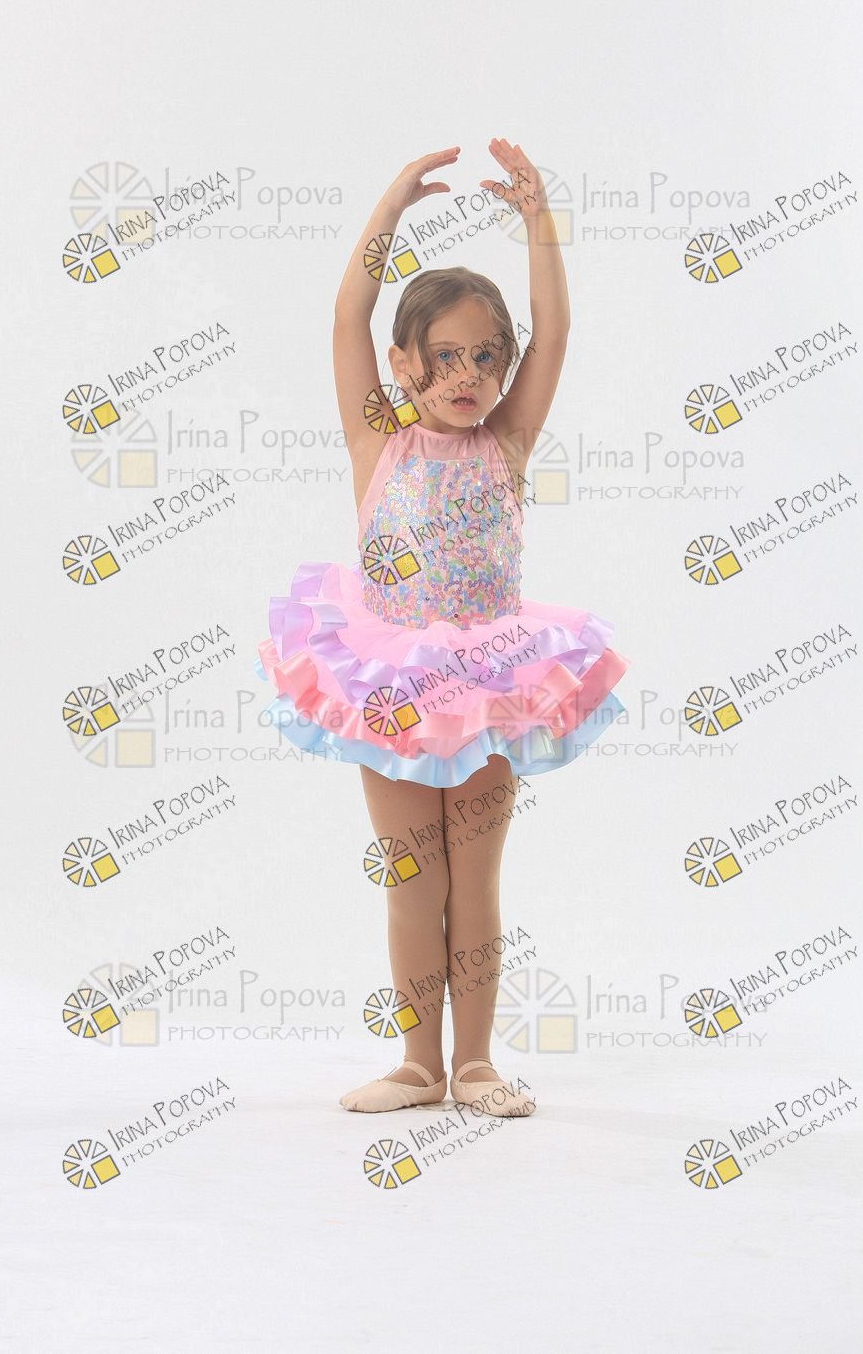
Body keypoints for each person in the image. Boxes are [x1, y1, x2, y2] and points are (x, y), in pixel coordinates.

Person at [254, 140, 630, 1118]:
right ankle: (419, 1064)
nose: (469, 373)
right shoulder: (376, 437)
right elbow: (347, 314)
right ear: (402, 363)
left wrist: (538, 223)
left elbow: (557, 329)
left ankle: (475, 1065)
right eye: (448, 355)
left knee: (477, 883)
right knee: (413, 881)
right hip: (389, 683)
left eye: (487, 355)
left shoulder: (508, 441)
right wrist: (388, 210)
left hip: (494, 680)